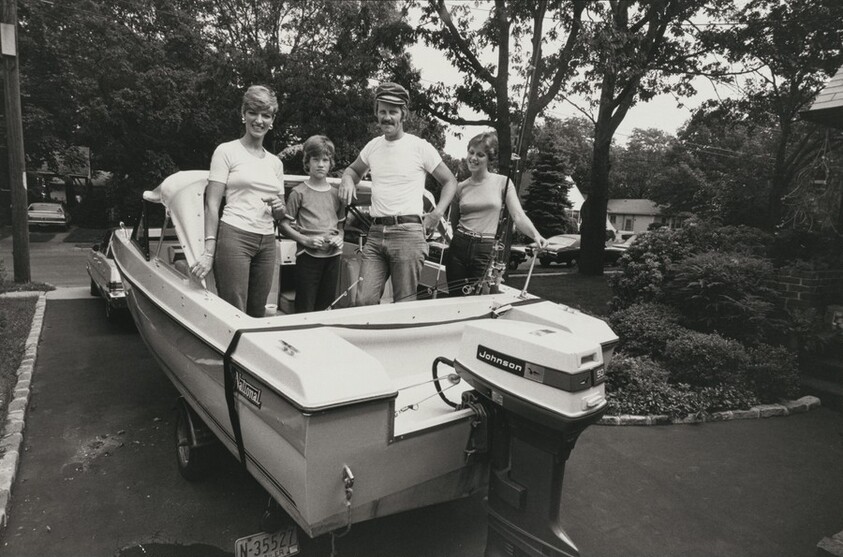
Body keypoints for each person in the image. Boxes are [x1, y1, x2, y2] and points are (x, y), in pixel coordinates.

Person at [339, 82, 457, 305]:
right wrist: (347, 179)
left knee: (404, 305)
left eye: (392, 112)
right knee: (363, 301)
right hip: (375, 232)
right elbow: (354, 170)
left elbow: (450, 181)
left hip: (408, 234)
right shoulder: (372, 146)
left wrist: (437, 213)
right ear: (376, 113)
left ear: (403, 114)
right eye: (382, 111)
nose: (387, 117)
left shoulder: (420, 146)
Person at [190, 85, 287, 317]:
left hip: (266, 242)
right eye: (253, 112)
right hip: (235, 236)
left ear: (272, 120)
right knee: (233, 310)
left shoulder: (275, 163)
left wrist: (279, 208)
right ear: (243, 114)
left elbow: (280, 214)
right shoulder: (226, 151)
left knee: (257, 311)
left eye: (266, 115)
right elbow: (212, 204)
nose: (259, 120)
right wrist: (208, 251)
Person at [446, 131, 547, 296]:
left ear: (489, 159)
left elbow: (518, 216)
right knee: (455, 299)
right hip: (458, 246)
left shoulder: (503, 182)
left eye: (480, 154)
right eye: (471, 152)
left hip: (484, 248)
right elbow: (454, 220)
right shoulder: (460, 187)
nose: (473, 158)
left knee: (479, 300)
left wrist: (536, 235)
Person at [278, 135, 345, 313]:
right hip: (307, 256)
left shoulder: (337, 194)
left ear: (331, 163)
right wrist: (305, 240)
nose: (321, 164)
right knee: (305, 307)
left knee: (325, 306)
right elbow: (283, 226)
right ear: (307, 162)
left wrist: (340, 239)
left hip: (333, 256)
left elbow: (340, 228)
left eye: (325, 160)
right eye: (316, 159)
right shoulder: (298, 193)